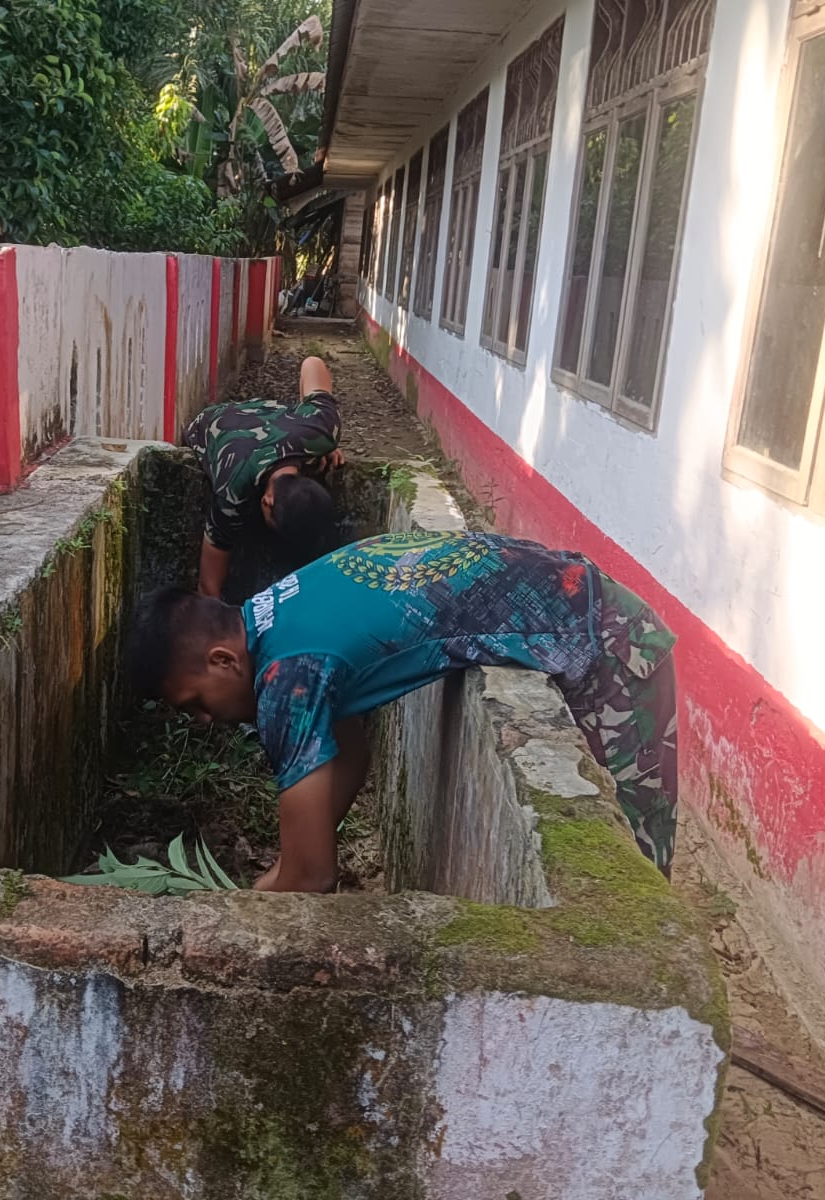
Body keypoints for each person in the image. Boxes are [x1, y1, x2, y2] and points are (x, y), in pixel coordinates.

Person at [127, 529, 678, 892]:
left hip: (610, 642)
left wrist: (261, 902)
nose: (204, 720)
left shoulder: (286, 676)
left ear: (222, 660)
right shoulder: (277, 610)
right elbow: (349, 757)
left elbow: (314, 879)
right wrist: (281, 874)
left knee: (634, 875)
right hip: (584, 603)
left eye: (194, 703)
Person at [181, 355, 345, 599]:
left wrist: (320, 444)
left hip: (268, 415)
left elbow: (313, 362)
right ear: (266, 502)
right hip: (211, 422)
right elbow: (208, 586)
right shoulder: (233, 485)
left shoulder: (323, 428)